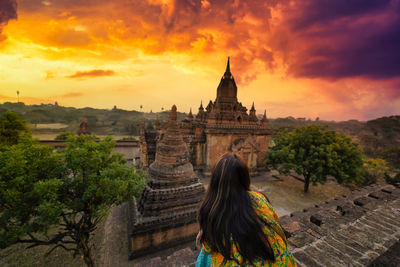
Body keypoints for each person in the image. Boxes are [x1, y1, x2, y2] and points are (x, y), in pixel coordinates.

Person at [196, 153, 297, 267]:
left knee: (204, 255)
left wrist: (204, 233)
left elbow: (207, 247)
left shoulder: (211, 210)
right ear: (245, 177)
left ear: (215, 180)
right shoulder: (260, 198)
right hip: (280, 261)